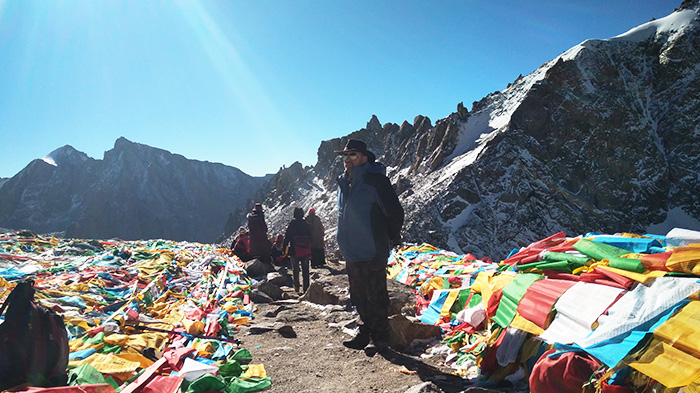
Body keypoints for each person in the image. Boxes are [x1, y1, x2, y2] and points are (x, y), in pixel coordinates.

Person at [335, 139, 404, 357]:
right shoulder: (344, 183)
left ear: (365, 157)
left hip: (373, 249)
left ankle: (380, 338)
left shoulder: (376, 182)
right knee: (358, 295)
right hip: (352, 250)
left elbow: (395, 213)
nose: (347, 160)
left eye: (352, 155)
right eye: (345, 156)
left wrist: (390, 237)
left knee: (375, 295)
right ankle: (365, 331)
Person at [282, 207, 313, 293]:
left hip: (294, 250)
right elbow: (311, 238)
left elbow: (287, 238)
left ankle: (296, 287)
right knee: (305, 270)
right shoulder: (306, 224)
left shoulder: (292, 224)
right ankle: (306, 289)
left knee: (295, 269)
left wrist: (284, 249)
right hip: (305, 251)